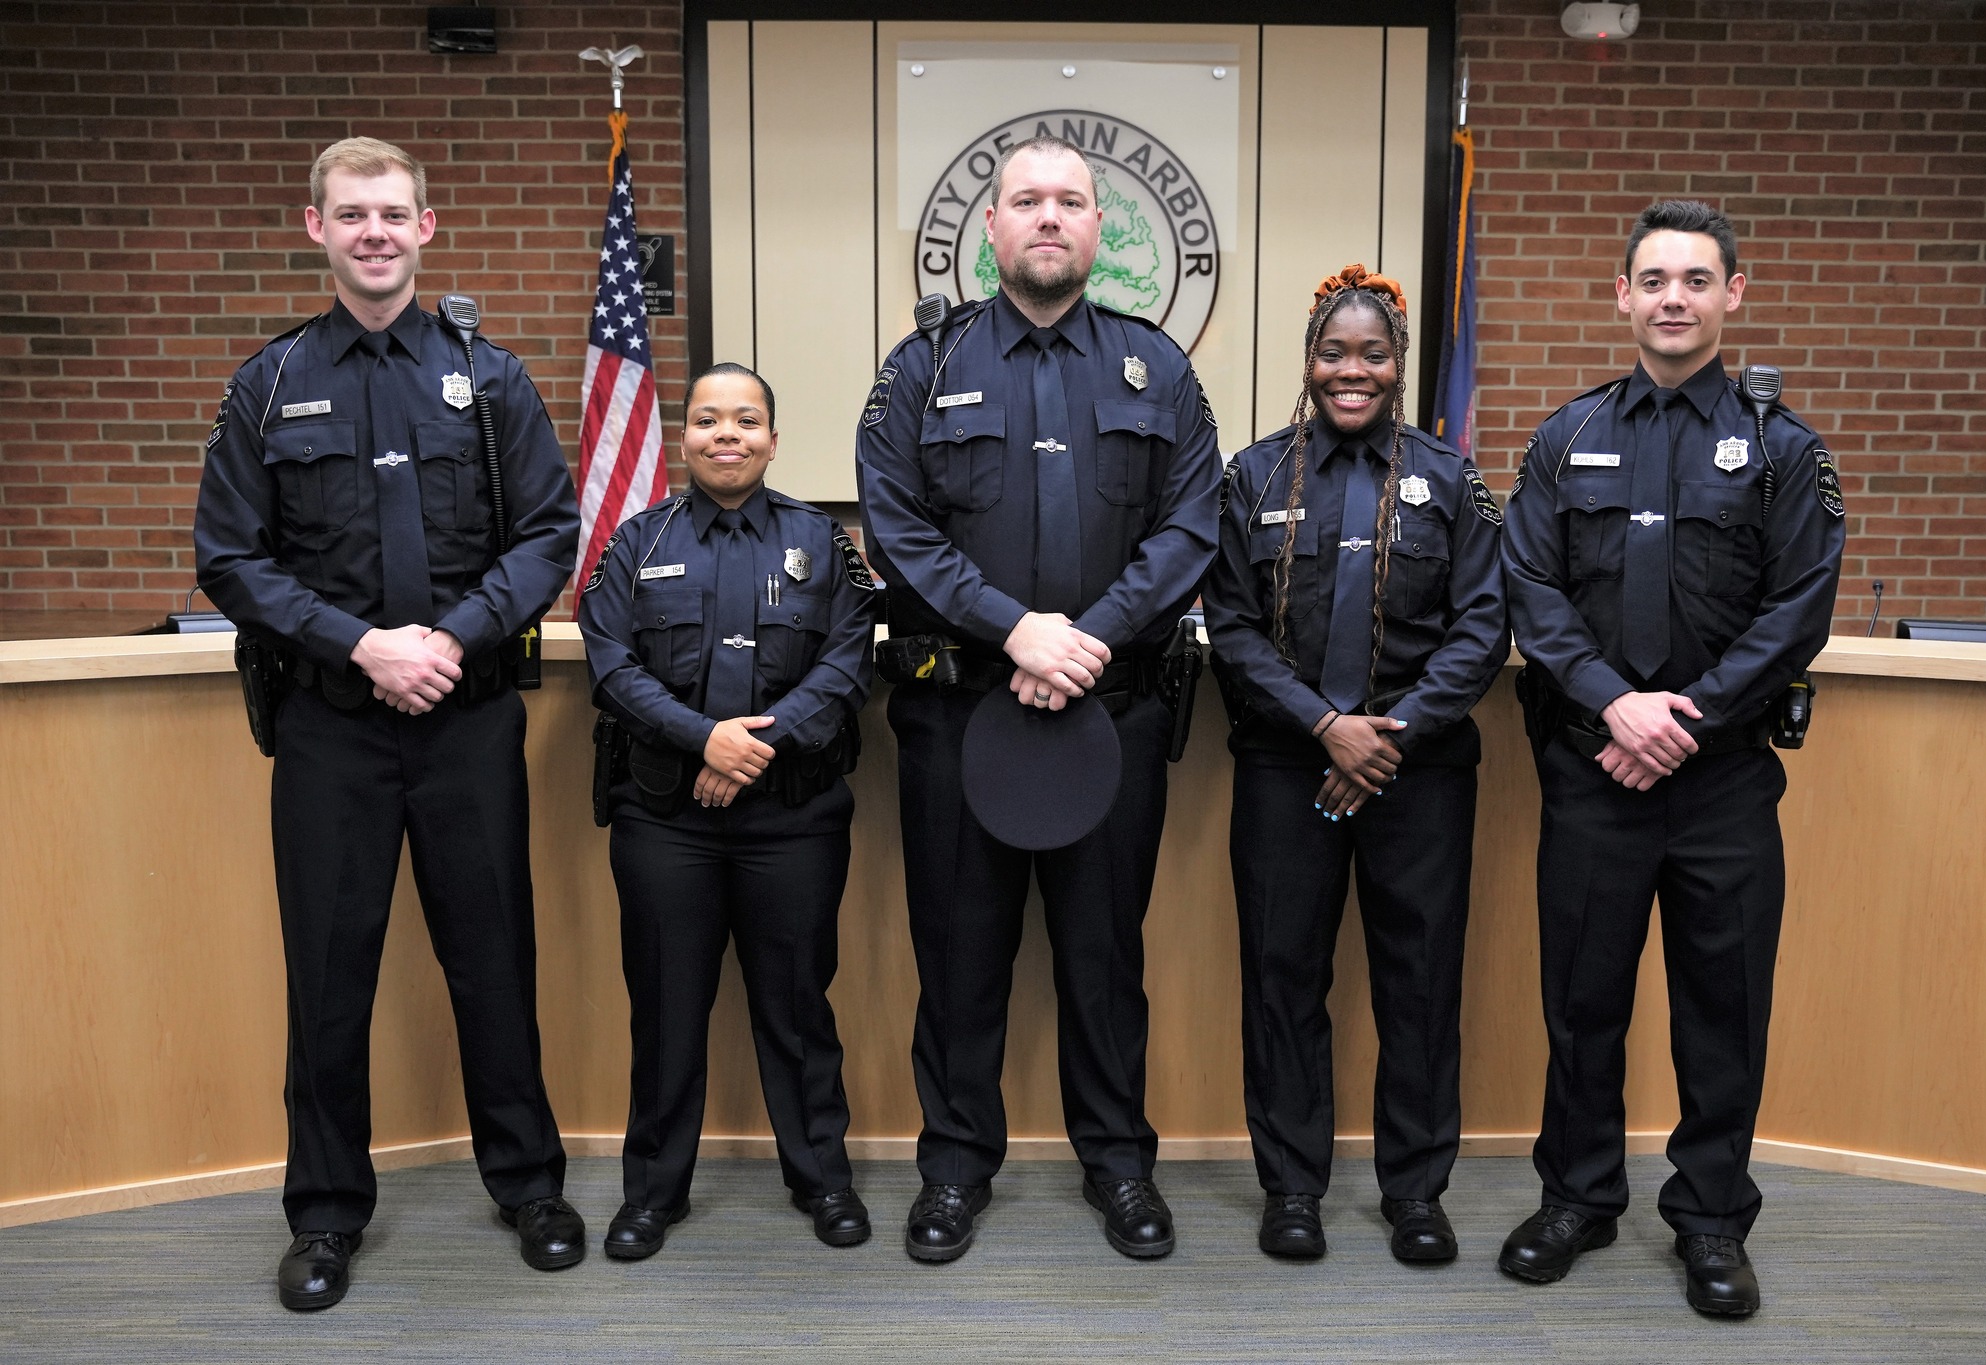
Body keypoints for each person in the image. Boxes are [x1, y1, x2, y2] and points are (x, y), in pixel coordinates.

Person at [194, 137, 585, 1310]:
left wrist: (451, 639)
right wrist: (361, 645)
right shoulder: (267, 384)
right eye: (350, 213)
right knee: (327, 976)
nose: (373, 230)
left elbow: (546, 535)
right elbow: (227, 556)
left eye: (392, 212)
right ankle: (322, 1216)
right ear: (315, 229)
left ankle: (528, 1186)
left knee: (494, 961)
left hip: (465, 722)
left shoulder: (492, 378)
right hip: (329, 728)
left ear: (427, 227)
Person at [855, 135, 1221, 1262]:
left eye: (1070, 201)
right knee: (959, 955)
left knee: (1105, 959)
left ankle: (1119, 1168)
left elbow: (1190, 525)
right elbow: (893, 526)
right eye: (1026, 201)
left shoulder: (1156, 369)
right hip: (962, 713)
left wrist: (1084, 640)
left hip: (1110, 717)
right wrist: (1014, 628)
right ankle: (954, 1169)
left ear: (1100, 230)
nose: (1048, 218)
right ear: (990, 228)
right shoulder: (923, 364)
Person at [1499, 199, 1845, 1316]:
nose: (1672, 299)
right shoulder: (1564, 439)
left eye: (1695, 280)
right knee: (1581, 1003)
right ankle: (1578, 1200)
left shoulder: (1783, 450)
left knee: (1720, 1006)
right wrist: (1614, 709)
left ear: (1731, 296)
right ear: (1621, 296)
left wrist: (1680, 718)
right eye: (1652, 280)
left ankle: (1708, 1220)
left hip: (1722, 782)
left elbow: (1797, 607)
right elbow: (1531, 593)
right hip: (1593, 773)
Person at [1204, 267, 1508, 1263]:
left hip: (1416, 778)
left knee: (1416, 984)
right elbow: (1232, 628)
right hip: (1284, 772)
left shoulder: (1448, 480)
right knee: (1281, 977)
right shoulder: (1251, 477)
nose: (1350, 369)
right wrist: (1322, 728)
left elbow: (1480, 628)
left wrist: (1386, 736)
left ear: (1396, 365)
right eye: (1332, 352)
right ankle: (1290, 1188)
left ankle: (1413, 1195)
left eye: (1370, 353)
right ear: (1308, 361)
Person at [578, 362, 876, 1259]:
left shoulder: (823, 543)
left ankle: (822, 1179)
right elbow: (610, 663)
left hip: (793, 815)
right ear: (685, 437)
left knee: (797, 1006)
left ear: (773, 439)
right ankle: (652, 1195)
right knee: (666, 1009)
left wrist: (756, 745)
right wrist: (703, 740)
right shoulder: (636, 541)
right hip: (666, 820)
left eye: (746, 419)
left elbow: (848, 658)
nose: (727, 434)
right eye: (709, 419)